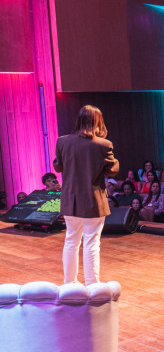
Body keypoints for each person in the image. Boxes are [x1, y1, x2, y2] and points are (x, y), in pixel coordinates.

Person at [53, 105, 120, 286]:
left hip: (70, 199)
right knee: (91, 243)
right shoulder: (104, 145)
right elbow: (112, 171)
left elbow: (58, 167)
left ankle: (69, 283)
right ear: (98, 121)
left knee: (71, 241)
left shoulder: (62, 142)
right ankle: (92, 285)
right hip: (93, 200)